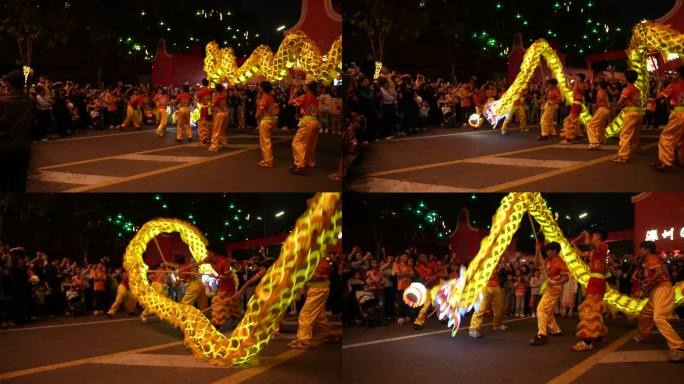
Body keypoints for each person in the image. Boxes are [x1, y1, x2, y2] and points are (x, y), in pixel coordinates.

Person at [632, 241, 684, 363]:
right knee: (644, 315)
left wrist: (647, 284)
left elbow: (659, 273)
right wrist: (645, 290)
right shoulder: (650, 260)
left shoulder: (651, 257)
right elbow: (656, 276)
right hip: (656, 290)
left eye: (641, 249)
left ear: (646, 249)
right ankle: (644, 335)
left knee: (659, 318)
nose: (639, 251)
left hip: (663, 288)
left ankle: (678, 347)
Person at [289, 258, 341, 349]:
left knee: (306, 315)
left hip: (317, 290)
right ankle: (331, 334)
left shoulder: (316, 258)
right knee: (319, 315)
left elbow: (319, 275)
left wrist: (301, 275)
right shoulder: (315, 257)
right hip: (318, 289)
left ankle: (303, 340)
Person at [571, 229, 609, 351]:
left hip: (597, 281)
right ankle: (599, 334)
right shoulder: (594, 251)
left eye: (594, 235)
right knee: (595, 307)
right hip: (594, 281)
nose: (593, 237)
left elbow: (589, 244)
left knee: (589, 308)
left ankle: (587, 341)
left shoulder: (602, 245)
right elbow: (581, 254)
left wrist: (586, 236)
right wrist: (574, 244)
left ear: (599, 236)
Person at [0, 70, 35, 192]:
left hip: (4, 149)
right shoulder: (30, 101)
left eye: (5, 83)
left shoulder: (3, 102)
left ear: (9, 84)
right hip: (23, 149)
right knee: (19, 184)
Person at [530, 242, 568, 346]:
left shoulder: (560, 263)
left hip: (554, 287)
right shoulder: (548, 260)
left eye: (548, 250)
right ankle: (556, 330)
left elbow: (566, 278)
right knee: (548, 311)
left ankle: (542, 335)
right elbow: (536, 264)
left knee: (541, 309)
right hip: (548, 286)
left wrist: (555, 282)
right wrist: (537, 250)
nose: (547, 252)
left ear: (554, 251)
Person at [652, 66, 684, 172]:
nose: (673, 75)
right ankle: (681, 160)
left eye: (675, 73)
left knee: (666, 136)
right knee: (681, 139)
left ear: (679, 75)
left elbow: (658, 97)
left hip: (679, 113)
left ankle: (666, 162)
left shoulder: (673, 85)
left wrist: (660, 84)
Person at [612, 69, 644, 163]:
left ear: (626, 78)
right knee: (636, 133)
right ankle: (636, 148)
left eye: (623, 76)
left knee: (625, 134)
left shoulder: (626, 89)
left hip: (631, 113)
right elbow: (633, 101)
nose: (622, 78)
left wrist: (615, 108)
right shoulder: (637, 89)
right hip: (639, 112)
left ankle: (623, 156)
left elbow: (620, 101)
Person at [289, 82, 320, 175]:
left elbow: (290, 102)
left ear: (308, 87)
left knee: (297, 142)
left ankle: (300, 164)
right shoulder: (315, 98)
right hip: (315, 121)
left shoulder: (304, 96)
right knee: (309, 144)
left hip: (307, 122)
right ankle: (308, 162)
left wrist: (294, 92)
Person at [469, 268, 507, 338]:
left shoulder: (495, 260)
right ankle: (473, 329)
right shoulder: (482, 260)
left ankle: (497, 324)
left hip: (496, 287)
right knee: (480, 308)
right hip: (484, 287)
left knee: (499, 308)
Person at [256, 81, 279, 168]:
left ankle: (268, 161)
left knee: (265, 141)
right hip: (271, 120)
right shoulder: (270, 97)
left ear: (262, 88)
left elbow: (261, 110)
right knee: (267, 140)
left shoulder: (265, 97)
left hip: (266, 120)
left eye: (260, 87)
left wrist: (257, 115)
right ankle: (267, 159)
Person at [560, 73, 587, 144]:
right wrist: (566, 80)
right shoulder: (576, 84)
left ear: (581, 78)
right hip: (575, 103)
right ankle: (578, 135)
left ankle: (568, 138)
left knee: (571, 119)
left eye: (577, 77)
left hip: (578, 103)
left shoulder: (583, 84)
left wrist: (576, 83)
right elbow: (569, 87)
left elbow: (582, 91)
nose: (576, 78)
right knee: (574, 120)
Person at [587, 80, 611, 150]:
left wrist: (596, 104)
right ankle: (602, 139)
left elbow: (600, 98)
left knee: (590, 125)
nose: (597, 86)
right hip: (606, 110)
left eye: (598, 85)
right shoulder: (605, 91)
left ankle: (594, 142)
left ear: (600, 86)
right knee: (601, 126)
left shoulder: (600, 91)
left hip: (602, 109)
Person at [208, 84, 228, 153]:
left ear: (216, 89)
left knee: (216, 130)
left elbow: (213, 106)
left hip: (219, 114)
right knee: (222, 129)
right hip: (225, 113)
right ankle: (223, 142)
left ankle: (214, 146)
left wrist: (211, 104)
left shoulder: (217, 97)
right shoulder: (224, 95)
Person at [196, 79, 215, 145]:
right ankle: (211, 137)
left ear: (202, 83)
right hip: (210, 108)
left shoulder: (200, 91)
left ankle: (204, 139)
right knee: (211, 122)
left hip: (204, 108)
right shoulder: (212, 90)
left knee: (203, 123)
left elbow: (198, 100)